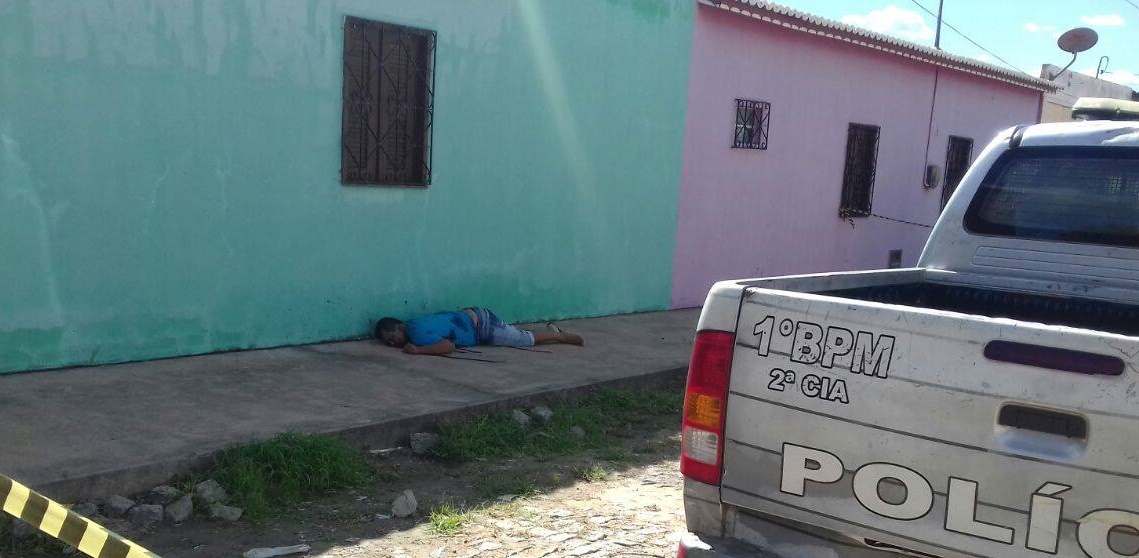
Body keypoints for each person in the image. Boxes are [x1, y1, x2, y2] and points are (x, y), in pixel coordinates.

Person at [375, 307, 584, 355]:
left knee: (522, 340)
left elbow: (448, 346)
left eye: (392, 337)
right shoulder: (414, 323)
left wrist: (418, 351)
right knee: (512, 334)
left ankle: (561, 336)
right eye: (388, 343)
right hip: (474, 317)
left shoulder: (416, 335)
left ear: (400, 326)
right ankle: (551, 330)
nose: (393, 343)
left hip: (481, 326)